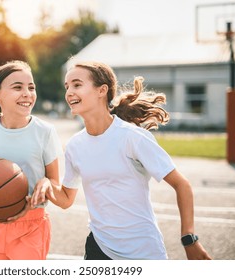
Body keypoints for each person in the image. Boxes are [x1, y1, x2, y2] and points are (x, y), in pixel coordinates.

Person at [31, 61, 212, 260]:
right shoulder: (75, 145)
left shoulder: (132, 137)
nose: (69, 92)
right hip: (99, 248)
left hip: (143, 250)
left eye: (77, 84)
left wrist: (190, 239)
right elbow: (66, 199)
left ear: (102, 90)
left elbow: (182, 185)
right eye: (67, 87)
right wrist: (46, 183)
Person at [0, 60, 62, 260]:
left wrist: (44, 184)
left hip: (32, 224)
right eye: (18, 87)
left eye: (31, 87)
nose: (27, 93)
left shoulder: (45, 131)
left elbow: (54, 181)